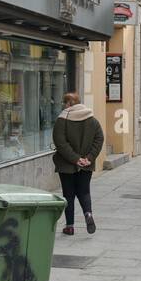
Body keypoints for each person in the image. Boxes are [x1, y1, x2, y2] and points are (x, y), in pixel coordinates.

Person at [52, 91, 104, 236]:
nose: (63, 105)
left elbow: (60, 143)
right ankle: (88, 214)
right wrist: (89, 158)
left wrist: (75, 159)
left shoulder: (62, 120)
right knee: (84, 191)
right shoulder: (92, 120)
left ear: (69, 103)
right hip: (86, 164)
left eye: (64, 102)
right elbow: (99, 139)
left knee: (68, 194)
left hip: (66, 164)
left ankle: (69, 226)